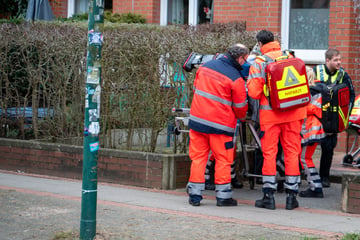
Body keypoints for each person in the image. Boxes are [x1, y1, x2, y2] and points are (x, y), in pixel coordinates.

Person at [247, 30, 306, 210]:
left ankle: (269, 196)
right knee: (292, 153)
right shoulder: (290, 56)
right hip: (294, 114)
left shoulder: (259, 63)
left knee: (269, 154)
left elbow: (255, 92)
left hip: (270, 116)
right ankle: (291, 197)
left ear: (259, 43)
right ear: (275, 41)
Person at [186, 43, 249, 207]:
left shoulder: (205, 67)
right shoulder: (236, 78)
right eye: (245, 59)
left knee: (198, 158)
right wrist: (241, 117)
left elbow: (196, 89)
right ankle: (223, 196)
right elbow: (241, 108)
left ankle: (194, 195)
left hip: (198, 121)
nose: (245, 63)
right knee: (223, 159)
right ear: (240, 58)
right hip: (221, 126)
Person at [314, 49, 355, 188]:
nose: (339, 62)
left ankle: (324, 177)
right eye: (336, 60)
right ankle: (307, 175)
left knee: (328, 148)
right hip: (316, 117)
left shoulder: (343, 75)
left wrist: (345, 117)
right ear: (327, 60)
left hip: (333, 119)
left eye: (340, 59)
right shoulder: (316, 72)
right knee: (307, 147)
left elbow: (351, 96)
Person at [299, 67, 326, 198]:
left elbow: (308, 110)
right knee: (305, 157)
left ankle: (315, 187)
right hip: (316, 129)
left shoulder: (309, 91)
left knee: (305, 158)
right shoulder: (320, 88)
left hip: (310, 129)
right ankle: (315, 186)